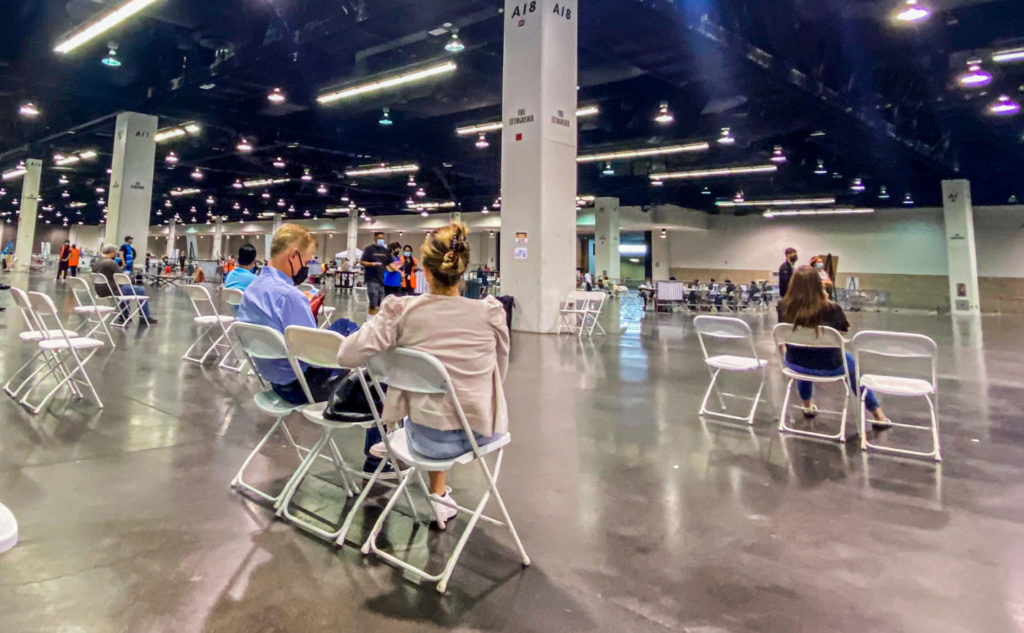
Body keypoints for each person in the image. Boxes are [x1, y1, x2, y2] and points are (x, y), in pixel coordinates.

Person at [338, 223, 509, 527]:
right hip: (480, 431)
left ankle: (408, 461)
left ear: (425, 272)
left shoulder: (401, 311)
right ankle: (438, 494)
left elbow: (346, 355)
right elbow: (500, 372)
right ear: (463, 268)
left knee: (432, 407)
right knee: (449, 401)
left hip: (426, 441)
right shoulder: (490, 313)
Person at [236, 225, 377, 468]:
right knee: (378, 382)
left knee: (342, 325)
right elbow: (312, 356)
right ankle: (377, 459)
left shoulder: (253, 289)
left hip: (274, 381)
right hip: (304, 388)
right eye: (308, 260)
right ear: (293, 256)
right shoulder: (289, 296)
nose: (307, 267)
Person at [781, 266, 890, 428]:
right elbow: (841, 333)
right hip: (830, 365)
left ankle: (807, 406)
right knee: (852, 367)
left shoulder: (784, 307)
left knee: (804, 358)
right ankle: (878, 415)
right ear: (818, 285)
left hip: (795, 363)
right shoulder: (831, 308)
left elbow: (784, 332)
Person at [92, 244, 157, 325]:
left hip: (100, 290)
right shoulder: (111, 263)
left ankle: (124, 315)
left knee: (126, 291)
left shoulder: (96, 262)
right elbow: (122, 278)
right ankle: (144, 317)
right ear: (112, 252)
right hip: (113, 289)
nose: (116, 254)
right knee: (140, 290)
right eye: (115, 252)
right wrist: (128, 275)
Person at [360, 231, 390, 316]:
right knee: (373, 303)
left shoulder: (385, 251)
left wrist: (398, 270)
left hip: (381, 280)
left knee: (380, 303)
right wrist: (372, 264)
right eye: (379, 238)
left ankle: (376, 320)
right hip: (371, 279)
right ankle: (370, 320)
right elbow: (362, 262)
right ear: (375, 238)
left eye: (382, 238)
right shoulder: (369, 249)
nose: (381, 240)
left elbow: (390, 263)